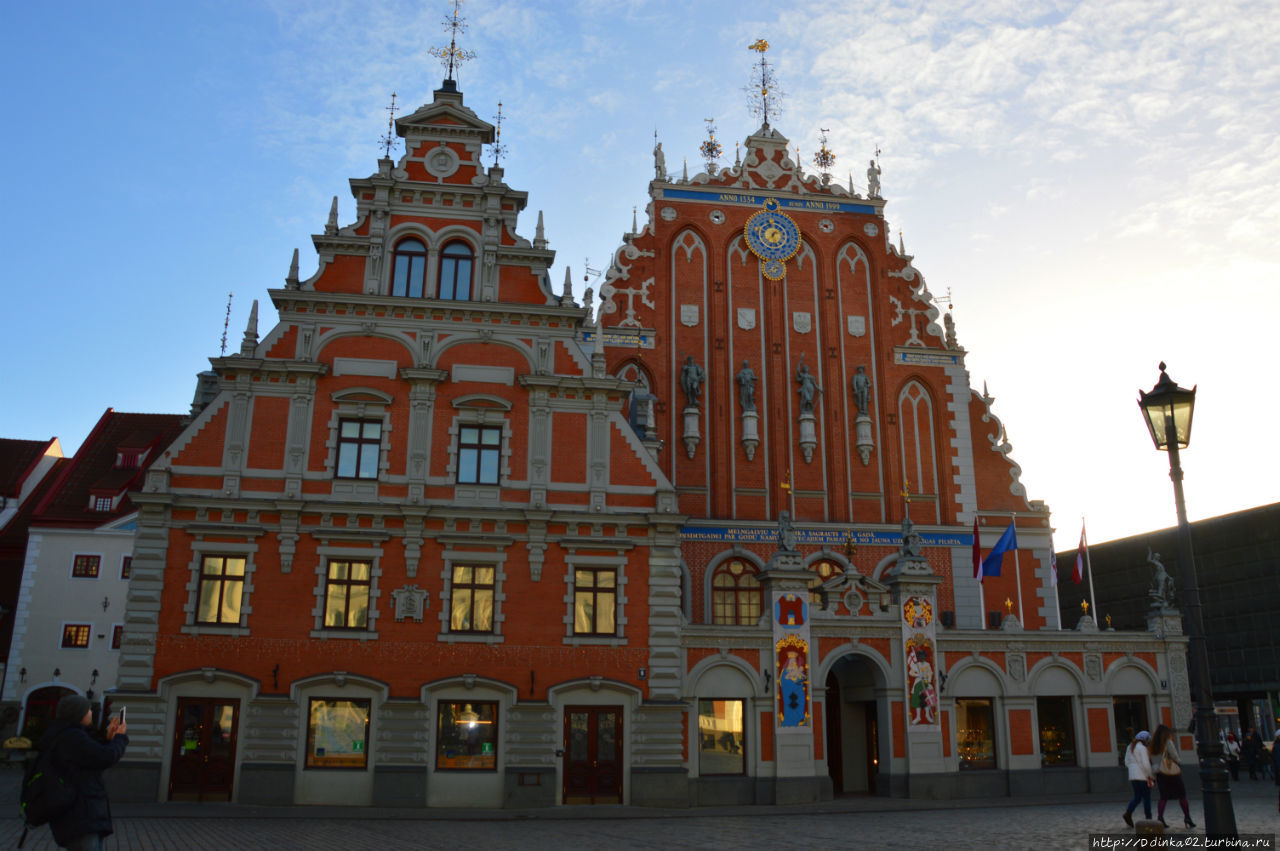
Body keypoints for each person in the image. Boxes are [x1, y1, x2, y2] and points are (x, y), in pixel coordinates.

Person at [36, 694, 129, 850]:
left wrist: (108, 739)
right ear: (79, 713)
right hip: (80, 813)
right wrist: (120, 738)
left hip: (76, 812)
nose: (91, 713)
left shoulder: (64, 734)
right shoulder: (72, 736)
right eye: (88, 710)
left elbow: (88, 758)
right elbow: (105, 757)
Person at [1151, 724, 1195, 828]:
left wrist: (1153, 775)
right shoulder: (1168, 742)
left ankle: (1160, 817)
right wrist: (1179, 763)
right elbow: (1174, 755)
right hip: (1172, 773)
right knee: (1182, 795)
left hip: (1160, 773)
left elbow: (1154, 761)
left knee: (1163, 797)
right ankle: (1187, 817)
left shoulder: (1153, 744)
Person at [1123, 730, 1155, 827]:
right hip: (1142, 776)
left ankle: (1128, 812)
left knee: (1137, 796)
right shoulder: (1142, 748)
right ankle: (1148, 818)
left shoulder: (1129, 747)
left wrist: (1133, 769)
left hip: (1132, 775)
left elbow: (1126, 762)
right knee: (1146, 797)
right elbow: (1146, 765)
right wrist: (1151, 776)